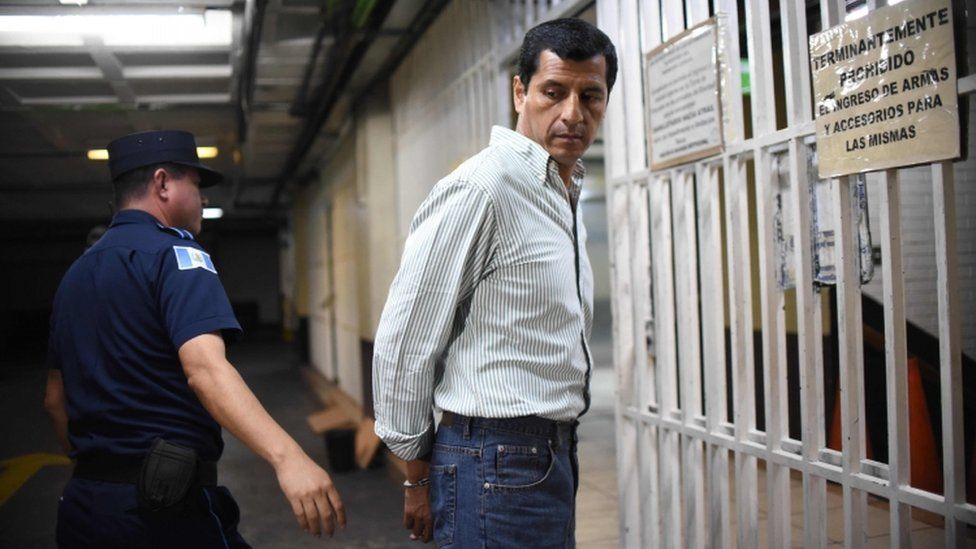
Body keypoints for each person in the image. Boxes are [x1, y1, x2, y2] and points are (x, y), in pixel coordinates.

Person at [371, 18, 616, 547]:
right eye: (554, 92)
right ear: (519, 92)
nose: (573, 113)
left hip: (546, 455)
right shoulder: (482, 190)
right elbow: (404, 340)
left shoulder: (559, 194)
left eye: (590, 96)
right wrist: (415, 474)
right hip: (492, 461)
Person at [44, 130, 345, 548]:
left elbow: (55, 400)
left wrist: (102, 472)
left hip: (85, 507)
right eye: (196, 185)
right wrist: (288, 457)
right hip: (161, 512)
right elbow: (205, 369)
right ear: (163, 183)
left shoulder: (75, 275)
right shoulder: (179, 257)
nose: (202, 199)